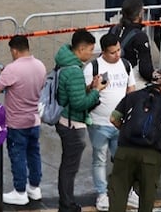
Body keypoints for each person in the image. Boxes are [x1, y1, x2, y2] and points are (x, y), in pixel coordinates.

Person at [107, 68, 161, 212]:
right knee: (146, 201)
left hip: (124, 153)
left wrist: (125, 130)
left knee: (118, 196)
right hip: (151, 157)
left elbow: (113, 118)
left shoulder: (132, 97)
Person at [0, 35, 47, 206]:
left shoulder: (12, 69)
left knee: (18, 156)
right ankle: (35, 187)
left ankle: (20, 191)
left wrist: (5, 77)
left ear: (14, 50)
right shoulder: (40, 65)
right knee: (34, 153)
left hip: (16, 121)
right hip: (34, 119)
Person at [83, 32, 136, 211]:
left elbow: (131, 89)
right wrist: (93, 86)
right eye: (113, 52)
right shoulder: (93, 67)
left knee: (122, 160)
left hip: (120, 123)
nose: (117, 54)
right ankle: (102, 193)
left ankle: (127, 191)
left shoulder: (126, 65)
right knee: (99, 159)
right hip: (99, 122)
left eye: (119, 50)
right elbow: (84, 92)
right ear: (104, 52)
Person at [54, 29, 105, 212]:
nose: (92, 54)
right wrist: (96, 91)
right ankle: (67, 205)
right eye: (90, 49)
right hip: (72, 124)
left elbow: (73, 93)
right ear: (81, 49)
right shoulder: (74, 71)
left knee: (67, 166)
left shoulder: (64, 63)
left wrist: (89, 87)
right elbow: (79, 103)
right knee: (69, 168)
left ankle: (66, 203)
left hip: (64, 121)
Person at [108, 0, 156, 83]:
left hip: (110, 75)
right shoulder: (140, 36)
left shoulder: (113, 29)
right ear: (140, 14)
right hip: (130, 78)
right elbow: (145, 69)